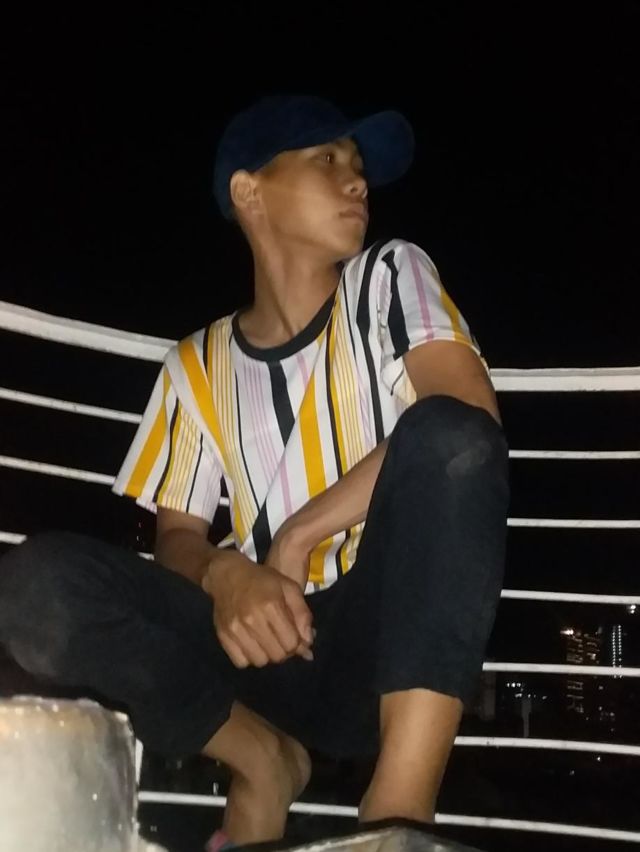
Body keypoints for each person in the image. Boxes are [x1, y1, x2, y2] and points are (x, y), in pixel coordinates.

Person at [0, 95, 510, 849]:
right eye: (326, 159)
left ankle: (397, 815)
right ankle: (262, 761)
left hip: (382, 645)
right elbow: (176, 539)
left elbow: (465, 410)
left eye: (358, 166)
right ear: (250, 192)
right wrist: (226, 576)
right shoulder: (195, 365)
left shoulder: (388, 277)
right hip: (259, 654)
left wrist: (295, 537)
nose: (357, 181)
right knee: (37, 587)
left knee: (451, 437)